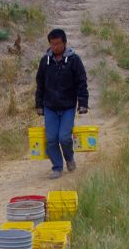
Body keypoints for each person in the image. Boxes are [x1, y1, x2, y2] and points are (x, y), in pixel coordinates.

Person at [34, 28, 88, 179]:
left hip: (68, 106)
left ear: (64, 43)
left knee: (64, 137)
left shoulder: (74, 60)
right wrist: (39, 104)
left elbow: (81, 82)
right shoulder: (45, 61)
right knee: (51, 139)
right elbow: (40, 84)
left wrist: (83, 103)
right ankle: (57, 167)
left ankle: (69, 159)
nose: (55, 47)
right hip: (50, 106)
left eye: (58, 44)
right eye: (52, 44)